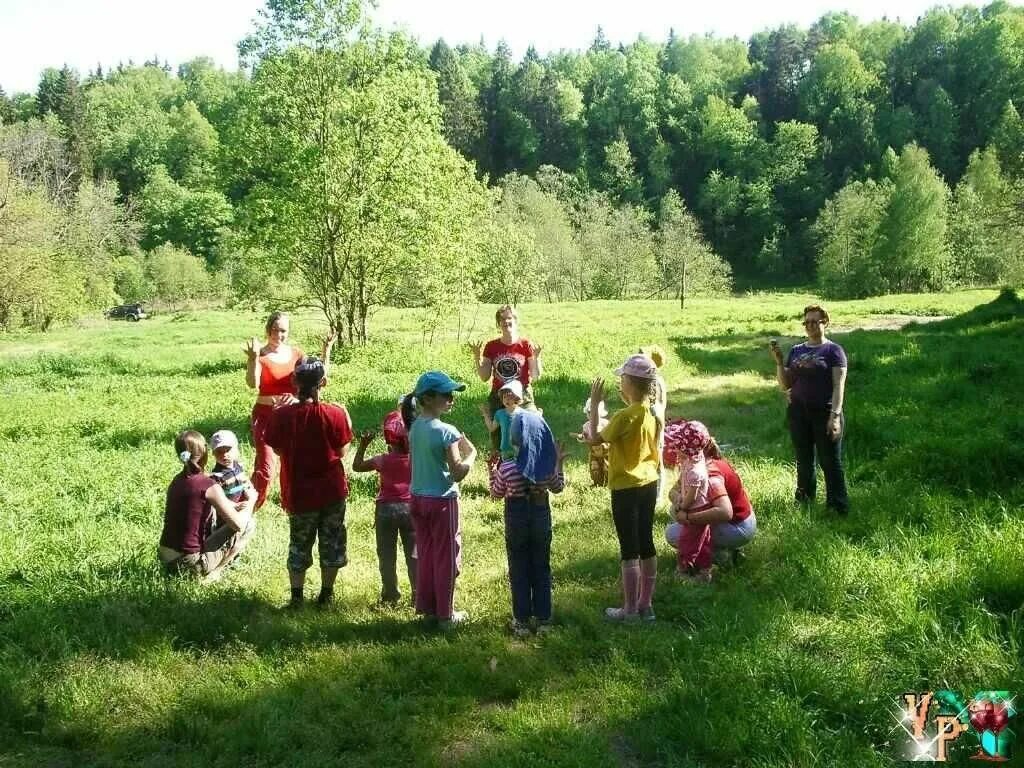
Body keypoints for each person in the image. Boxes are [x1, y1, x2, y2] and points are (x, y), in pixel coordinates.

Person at [264, 356, 353, 609]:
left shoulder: (282, 416)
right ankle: (326, 595)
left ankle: (296, 598)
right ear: (322, 382)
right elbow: (343, 451)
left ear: (294, 381)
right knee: (332, 541)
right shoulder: (335, 413)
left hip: (300, 492)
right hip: (332, 491)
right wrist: (346, 418)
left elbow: (279, 450)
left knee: (299, 543)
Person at [584, 354, 663, 622]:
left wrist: (594, 406)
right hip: (649, 483)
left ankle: (629, 610)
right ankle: (646, 605)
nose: (619, 383)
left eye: (622, 379)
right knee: (646, 541)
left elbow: (594, 439)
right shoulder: (650, 413)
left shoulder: (624, 416)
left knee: (629, 547)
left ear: (630, 383)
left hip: (625, 487)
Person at [405, 371, 477, 630]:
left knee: (426, 555)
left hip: (417, 499)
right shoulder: (447, 431)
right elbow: (458, 472)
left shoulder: (414, 429)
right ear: (428, 398)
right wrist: (472, 456)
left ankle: (428, 610)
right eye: (446, 395)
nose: (451, 399)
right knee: (446, 558)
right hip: (442, 502)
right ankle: (446, 615)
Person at [244, 311, 336, 510]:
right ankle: (249, 508)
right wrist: (252, 360)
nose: (279, 334)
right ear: (268, 330)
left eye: (283, 330)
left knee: (290, 463)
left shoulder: (296, 354)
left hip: (291, 415)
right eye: (275, 330)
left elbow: (316, 379)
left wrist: (326, 352)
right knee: (266, 467)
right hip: (266, 414)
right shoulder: (260, 353)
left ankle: (289, 504)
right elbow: (253, 384)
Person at [489, 409, 566, 637]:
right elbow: (558, 487)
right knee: (541, 567)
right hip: (540, 514)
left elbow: (496, 493)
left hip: (516, 519)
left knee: (519, 568)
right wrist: (559, 464)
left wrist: (492, 473)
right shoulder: (545, 469)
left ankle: (521, 621)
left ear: (514, 440)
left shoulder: (508, 468)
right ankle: (544, 620)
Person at [769, 304, 850, 515]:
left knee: (830, 462)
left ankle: (838, 507)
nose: (810, 326)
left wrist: (835, 416)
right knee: (804, 461)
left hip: (824, 413)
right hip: (798, 413)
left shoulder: (834, 351)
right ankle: (804, 502)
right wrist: (779, 363)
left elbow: (839, 386)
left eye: (815, 321)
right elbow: (785, 385)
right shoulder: (797, 350)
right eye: (807, 322)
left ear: (825, 322)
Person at [158, 430, 256, 581]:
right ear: (205, 453)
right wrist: (251, 501)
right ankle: (215, 573)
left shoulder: (176, 480)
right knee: (248, 524)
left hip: (165, 559)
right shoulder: (208, 485)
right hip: (189, 564)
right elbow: (238, 525)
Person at [352, 408, 416, 606]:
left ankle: (390, 596)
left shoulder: (382, 459)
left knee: (386, 556)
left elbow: (357, 466)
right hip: (411, 509)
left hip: (386, 510)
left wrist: (363, 445)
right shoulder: (416, 459)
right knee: (414, 555)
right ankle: (418, 595)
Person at [665, 437, 758, 569]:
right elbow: (673, 490)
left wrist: (688, 518)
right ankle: (717, 551)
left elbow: (725, 512)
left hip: (737, 526)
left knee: (674, 534)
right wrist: (678, 500)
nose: (675, 452)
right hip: (740, 520)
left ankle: (722, 557)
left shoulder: (709, 474)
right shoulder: (693, 466)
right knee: (673, 512)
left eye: (679, 449)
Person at [469, 305, 542, 450]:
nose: (506, 321)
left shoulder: (525, 344)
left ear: (515, 321)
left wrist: (537, 357)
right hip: (499, 395)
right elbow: (484, 377)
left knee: (532, 428)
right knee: (498, 437)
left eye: (509, 318)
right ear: (498, 323)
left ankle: (531, 464)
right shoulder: (491, 346)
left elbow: (535, 375)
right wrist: (477, 357)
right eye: (502, 319)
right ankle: (501, 467)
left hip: (522, 395)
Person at [663, 420, 715, 582]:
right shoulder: (693, 460)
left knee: (687, 542)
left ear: (687, 448)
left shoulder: (695, 471)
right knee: (703, 542)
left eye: (678, 446)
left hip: (695, 510)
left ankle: (683, 571)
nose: (675, 449)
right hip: (698, 508)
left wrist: (681, 507)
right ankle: (704, 571)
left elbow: (692, 496)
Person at [479, 379, 524, 459]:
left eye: (510, 397)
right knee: (508, 470)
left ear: (517, 398)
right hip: (505, 450)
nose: (506, 399)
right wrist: (485, 414)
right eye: (504, 397)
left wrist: (538, 415)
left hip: (520, 450)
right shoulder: (500, 414)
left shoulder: (523, 413)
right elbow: (492, 428)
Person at [209, 430, 256, 505]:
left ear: (236, 450)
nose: (224, 455)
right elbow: (218, 499)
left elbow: (245, 482)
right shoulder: (216, 476)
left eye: (228, 450)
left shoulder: (238, 466)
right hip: (227, 511)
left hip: (242, 504)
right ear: (213, 453)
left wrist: (250, 494)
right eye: (219, 452)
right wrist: (234, 505)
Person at [575, 398, 609, 487]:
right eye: (590, 412)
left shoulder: (605, 423)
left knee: (607, 466)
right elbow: (584, 435)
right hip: (593, 451)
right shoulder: (586, 426)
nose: (592, 415)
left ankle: (607, 481)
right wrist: (581, 437)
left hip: (606, 451)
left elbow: (610, 435)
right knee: (594, 466)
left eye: (595, 413)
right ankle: (597, 482)